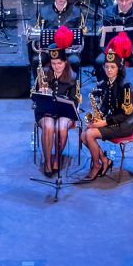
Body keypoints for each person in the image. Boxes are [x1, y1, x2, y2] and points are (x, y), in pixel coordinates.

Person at [81, 32, 133, 181]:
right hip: (112, 120)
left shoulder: (125, 86)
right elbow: (105, 105)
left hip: (124, 124)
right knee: (83, 135)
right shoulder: (106, 83)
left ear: (119, 68)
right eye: (106, 67)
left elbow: (124, 115)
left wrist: (103, 123)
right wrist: (96, 118)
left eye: (112, 67)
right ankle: (105, 160)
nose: (109, 70)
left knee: (90, 135)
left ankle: (96, 165)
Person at [34, 26, 81, 177]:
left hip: (65, 113)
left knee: (61, 128)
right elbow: (33, 97)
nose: (56, 67)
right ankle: (48, 162)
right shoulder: (44, 73)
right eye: (53, 64)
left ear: (65, 62)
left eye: (59, 63)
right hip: (45, 112)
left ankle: (57, 158)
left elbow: (75, 101)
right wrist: (41, 93)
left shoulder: (72, 76)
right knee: (48, 126)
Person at [37, 0, 84, 70]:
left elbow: (80, 36)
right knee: (37, 60)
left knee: (74, 60)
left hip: (68, 50)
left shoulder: (77, 12)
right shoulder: (44, 11)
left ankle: (72, 81)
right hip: (49, 50)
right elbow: (38, 33)